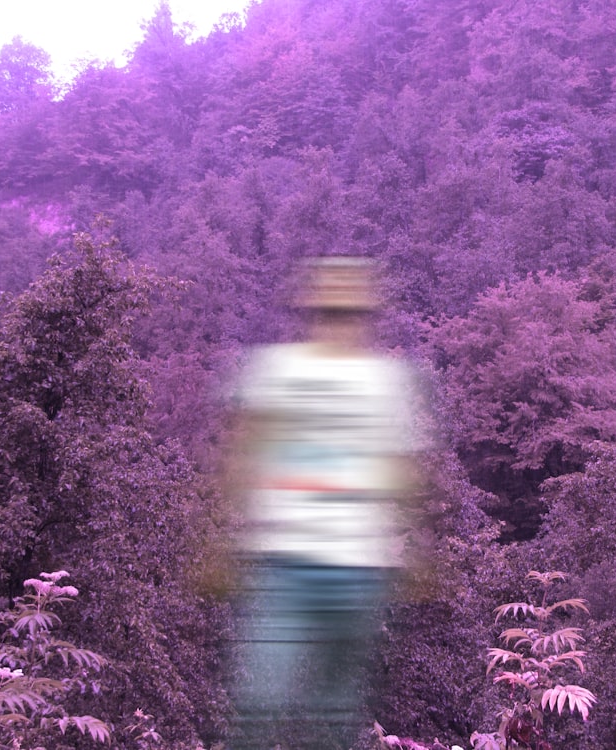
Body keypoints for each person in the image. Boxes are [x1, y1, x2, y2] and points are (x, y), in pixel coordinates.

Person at [227, 257, 417, 750]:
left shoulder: (385, 381)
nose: (341, 324)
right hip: (288, 559)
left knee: (331, 713)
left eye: (347, 314)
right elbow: (247, 451)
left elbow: (401, 470)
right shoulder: (279, 369)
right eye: (333, 313)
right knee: (260, 701)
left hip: (355, 566)